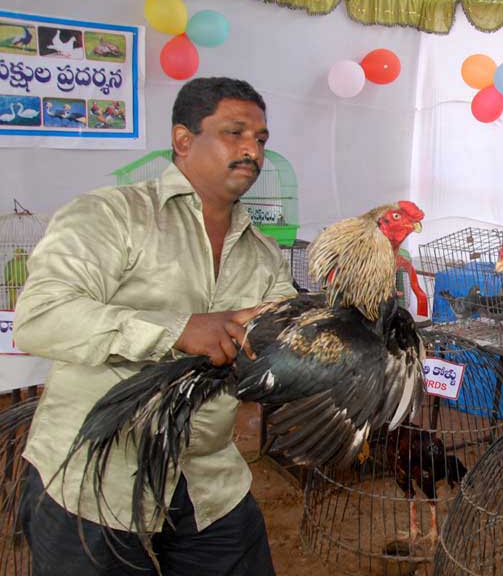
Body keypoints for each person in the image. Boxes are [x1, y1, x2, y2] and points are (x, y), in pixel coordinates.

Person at [14, 77, 297, 575]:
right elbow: (41, 317)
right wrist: (177, 329)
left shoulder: (264, 255)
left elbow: (280, 352)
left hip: (208, 480)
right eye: (235, 133)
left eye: (261, 140)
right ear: (184, 141)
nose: (252, 149)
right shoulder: (111, 215)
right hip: (95, 475)